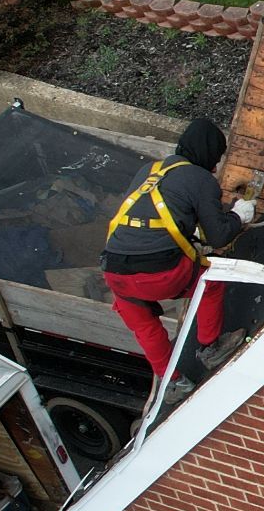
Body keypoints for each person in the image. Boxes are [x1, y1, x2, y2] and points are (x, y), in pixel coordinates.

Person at [102, 118, 253, 384]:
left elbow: (153, 220)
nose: (216, 166)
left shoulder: (148, 171)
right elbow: (218, 237)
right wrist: (238, 218)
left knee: (146, 326)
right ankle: (210, 348)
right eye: (216, 158)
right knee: (210, 279)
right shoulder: (201, 179)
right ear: (207, 154)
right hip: (160, 273)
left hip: (115, 271)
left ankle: (172, 382)